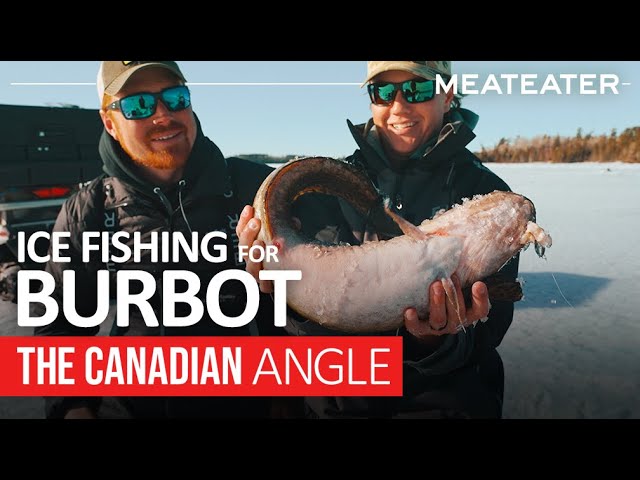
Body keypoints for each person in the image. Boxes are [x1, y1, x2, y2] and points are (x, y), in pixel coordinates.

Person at [236, 61, 519, 418]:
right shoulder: (323, 190)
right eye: (383, 92)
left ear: (447, 95)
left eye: (417, 89)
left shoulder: (487, 199)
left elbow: (490, 327)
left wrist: (433, 341)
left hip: (445, 405)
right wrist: (280, 288)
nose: (399, 106)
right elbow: (300, 332)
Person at [32, 61, 279, 419]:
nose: (163, 115)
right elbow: (59, 323)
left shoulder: (256, 189)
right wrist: (73, 405)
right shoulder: (89, 210)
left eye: (176, 97)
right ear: (109, 123)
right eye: (138, 105)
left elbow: (312, 300)